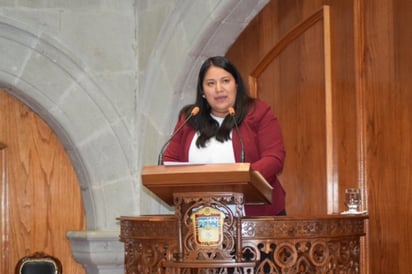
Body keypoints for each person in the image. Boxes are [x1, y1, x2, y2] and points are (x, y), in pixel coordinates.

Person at [163, 56, 286, 216]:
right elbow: (169, 162)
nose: (219, 89)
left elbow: (274, 158)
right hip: (200, 217)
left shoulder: (257, 111)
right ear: (203, 92)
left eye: (225, 81)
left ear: (236, 84)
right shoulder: (190, 118)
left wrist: (236, 180)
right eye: (211, 83)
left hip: (256, 216)